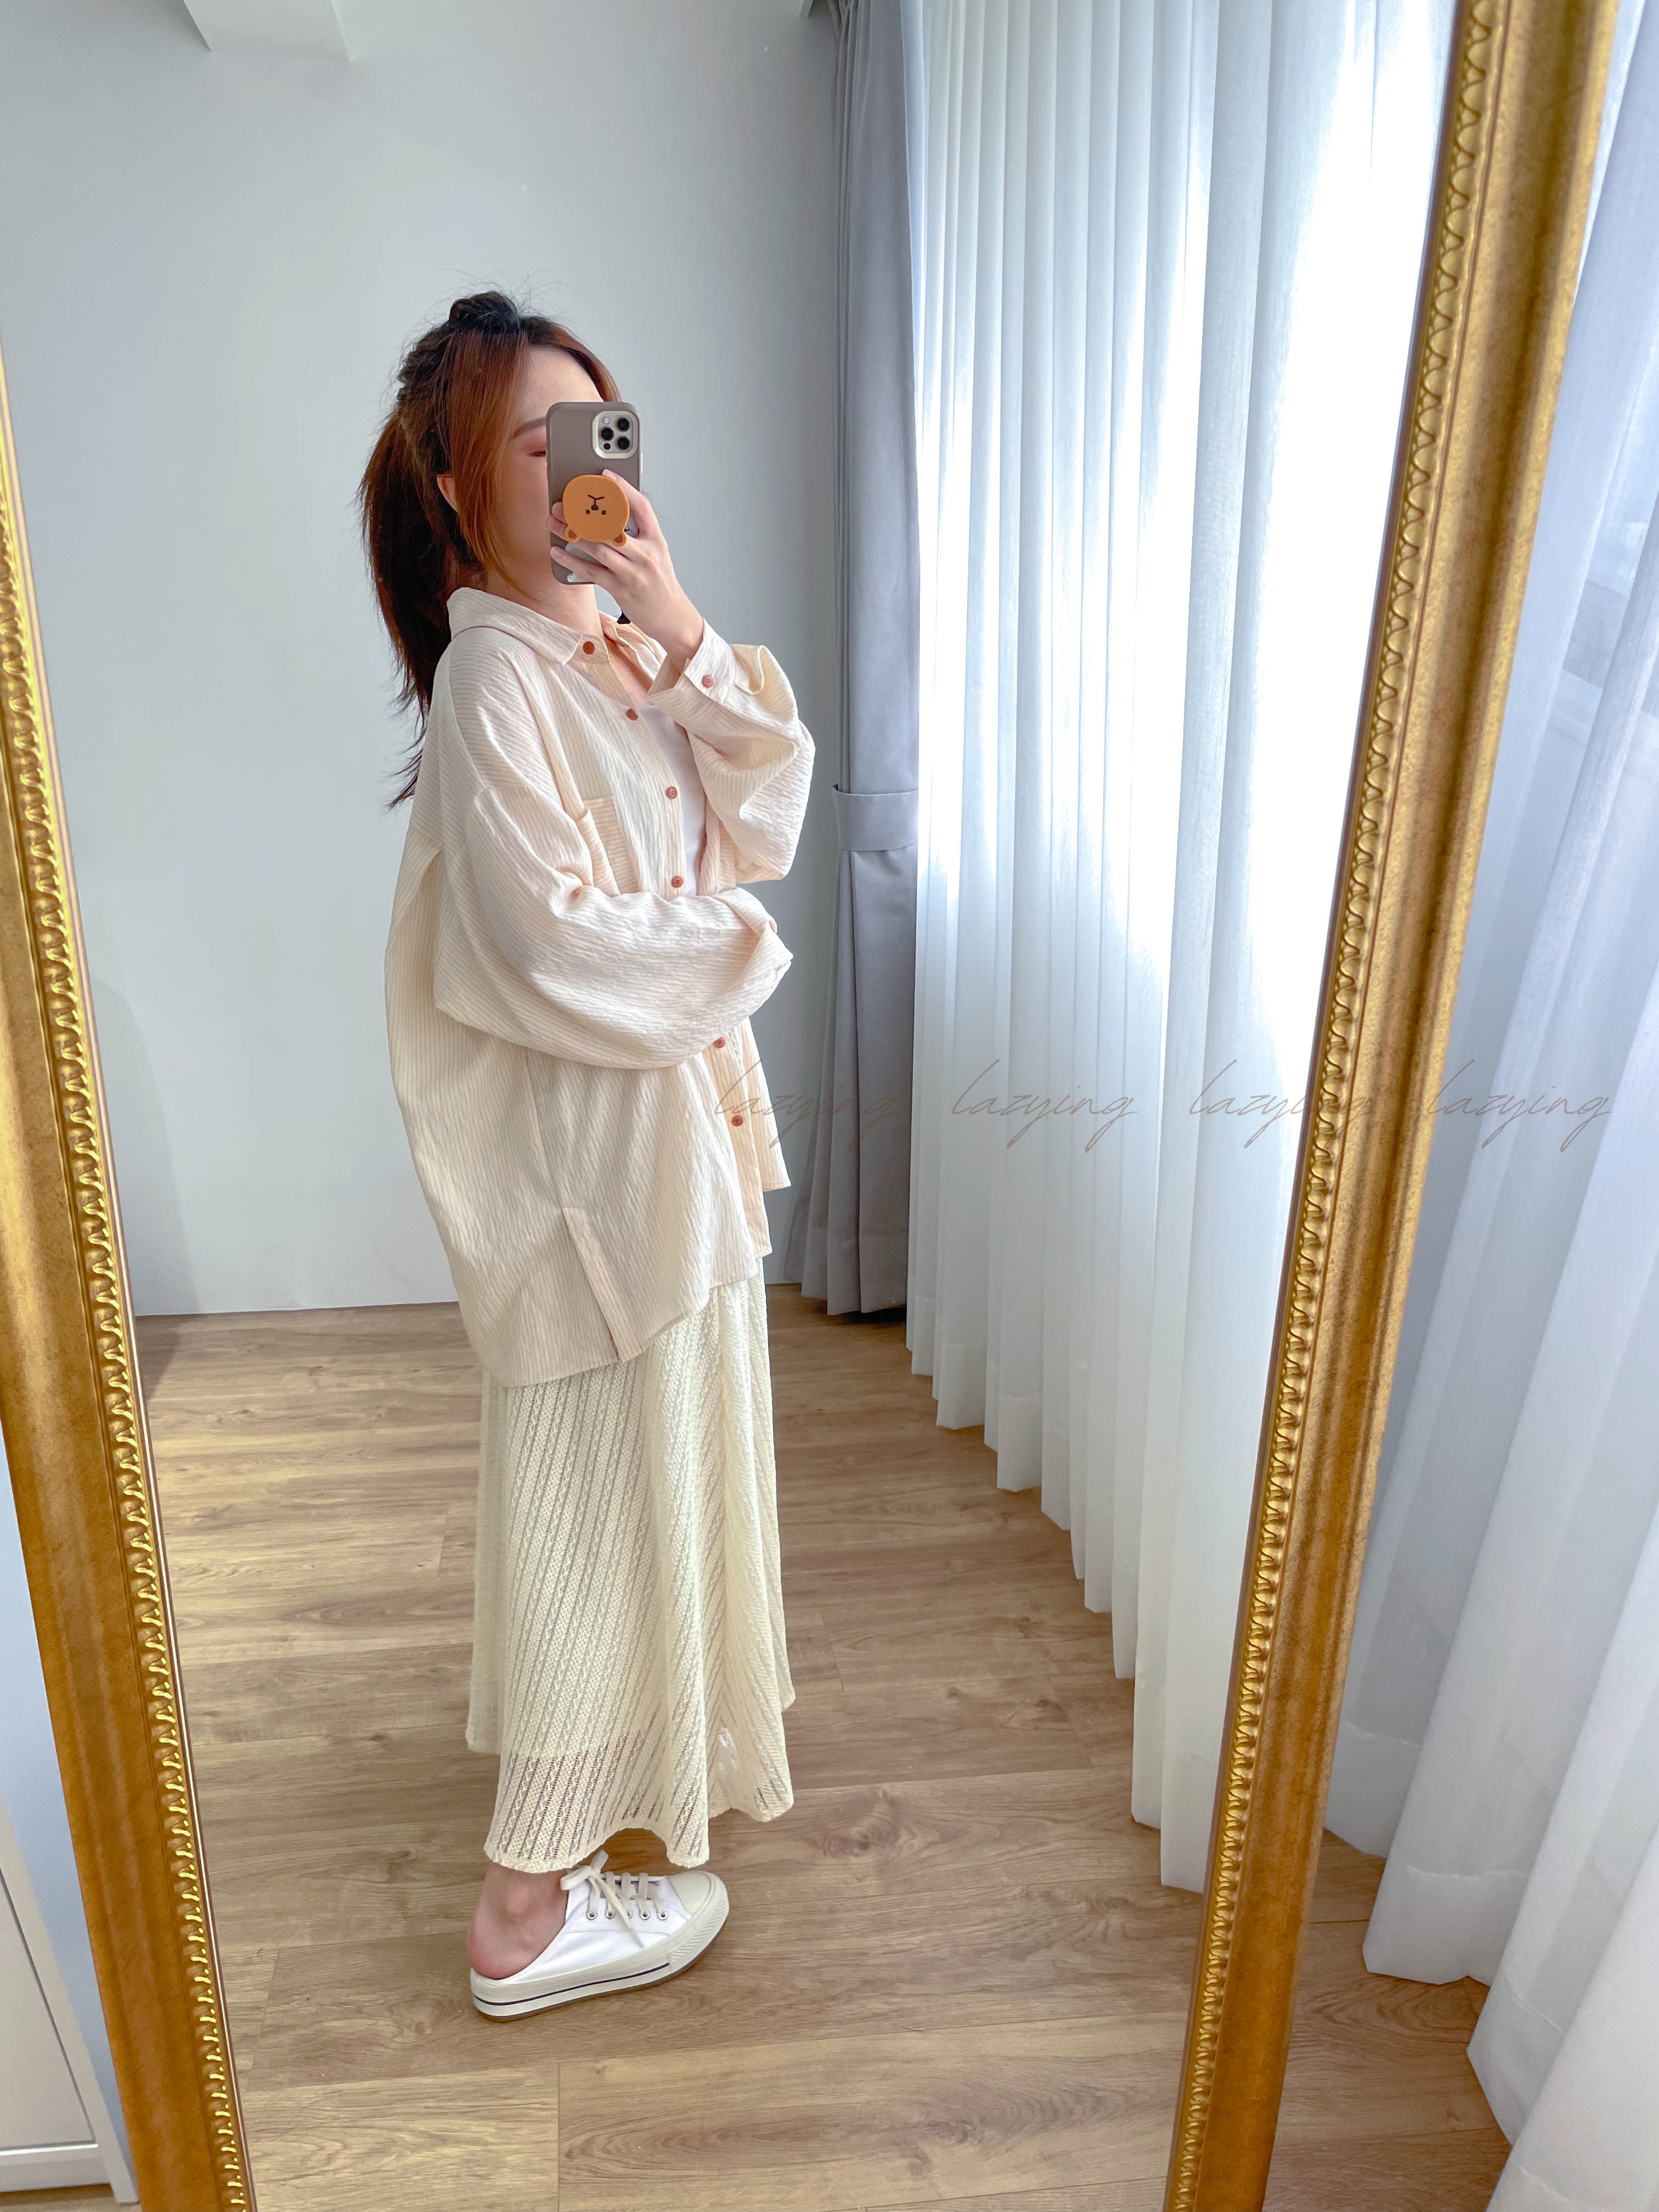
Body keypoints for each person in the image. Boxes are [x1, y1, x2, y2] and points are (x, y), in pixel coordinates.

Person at [359, 290, 813, 2018]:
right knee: (592, 1512)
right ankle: (523, 1915)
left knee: (644, 1490)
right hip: (598, 1175)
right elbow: (548, 944)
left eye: (590, 435)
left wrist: (678, 617)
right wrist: (738, 951)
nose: (569, 472)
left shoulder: (610, 653)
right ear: (454, 486)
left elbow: (763, 811)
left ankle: (591, 1819)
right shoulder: (497, 678)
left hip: (667, 1149)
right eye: (528, 444)